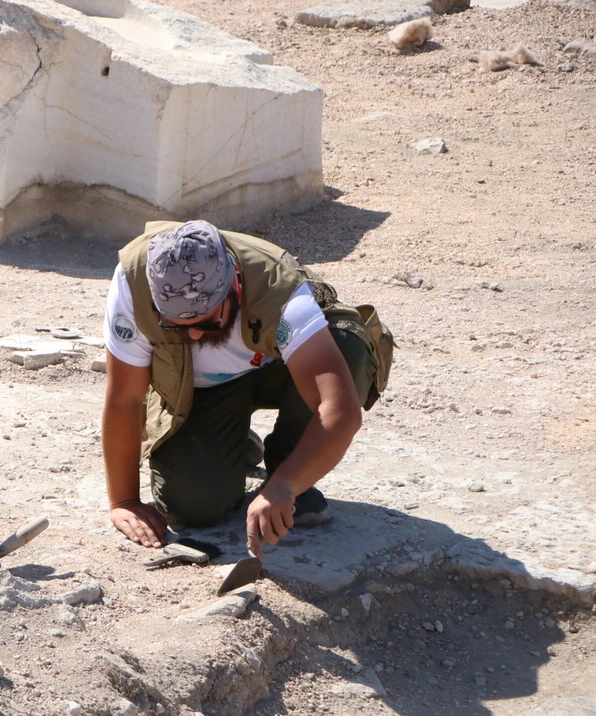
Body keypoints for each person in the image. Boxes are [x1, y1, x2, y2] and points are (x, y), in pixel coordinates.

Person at [101, 220, 393, 556]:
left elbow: (339, 411)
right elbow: (125, 397)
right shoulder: (134, 283)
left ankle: (289, 466)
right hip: (199, 388)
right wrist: (123, 500)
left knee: (345, 344)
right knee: (193, 505)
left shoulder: (278, 290)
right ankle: (232, 442)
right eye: (177, 326)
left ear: (233, 287)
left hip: (281, 371)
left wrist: (284, 487)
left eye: (206, 322)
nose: (194, 335)